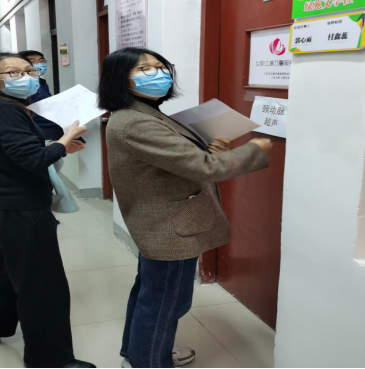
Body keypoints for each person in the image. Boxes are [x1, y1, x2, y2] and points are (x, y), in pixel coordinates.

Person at [97, 48, 274, 369]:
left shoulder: (144, 112)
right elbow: (204, 167)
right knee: (164, 304)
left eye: (161, 66)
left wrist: (211, 150)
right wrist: (255, 149)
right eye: (144, 69)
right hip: (169, 228)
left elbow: (178, 160)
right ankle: (148, 361)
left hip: (164, 223)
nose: (159, 73)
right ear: (119, 79)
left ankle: (138, 354)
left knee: (151, 295)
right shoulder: (135, 122)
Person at [0, 53, 93, 369]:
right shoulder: (5, 110)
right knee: (43, 287)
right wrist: (64, 140)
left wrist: (58, 148)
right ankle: (49, 360)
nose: (26, 77)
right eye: (13, 73)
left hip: (0, 208)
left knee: (7, 272)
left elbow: (12, 154)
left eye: (29, 71)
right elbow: (32, 160)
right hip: (21, 212)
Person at [19, 50, 65, 141]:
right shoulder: (22, 85)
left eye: (41, 61)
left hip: (53, 126)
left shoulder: (41, 82)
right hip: (38, 128)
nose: (39, 64)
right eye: (32, 61)